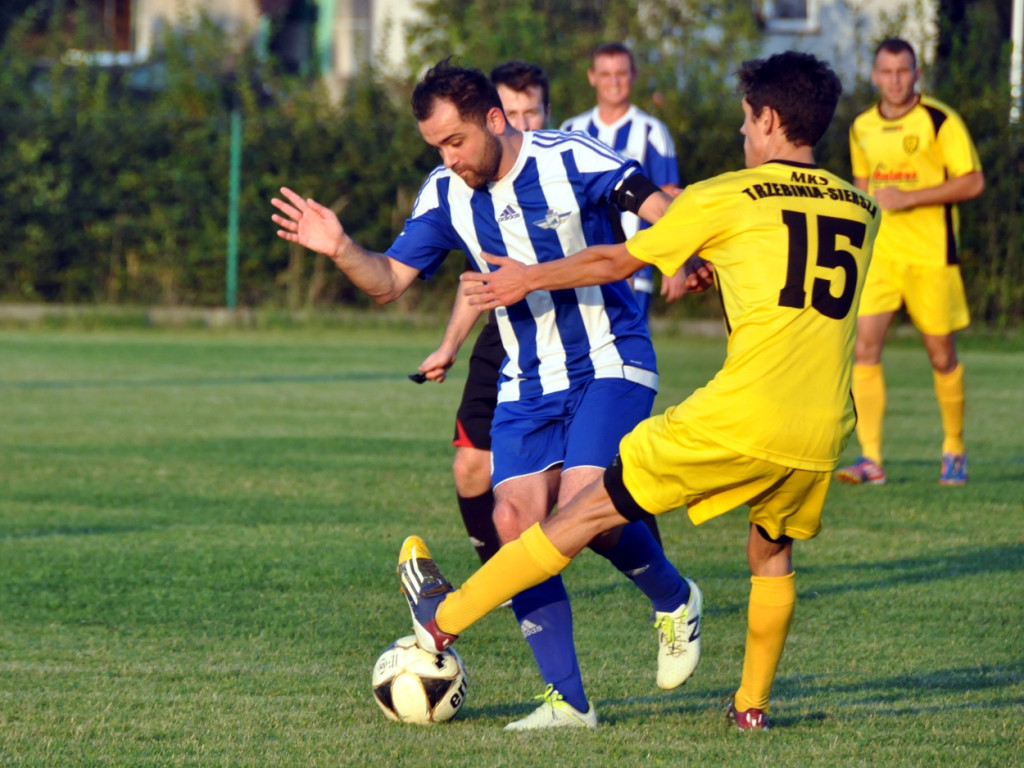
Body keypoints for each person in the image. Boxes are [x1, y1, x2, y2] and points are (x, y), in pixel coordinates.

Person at [397, 50, 880, 732]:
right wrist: (707, 263)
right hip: (825, 427)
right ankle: (749, 708)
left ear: (769, 119)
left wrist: (528, 278)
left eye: (747, 121)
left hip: (737, 415)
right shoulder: (863, 210)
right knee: (771, 552)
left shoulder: (727, 195)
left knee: (580, 512)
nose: (743, 135)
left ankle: (442, 620)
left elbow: (616, 259)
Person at [272, 59, 705, 731]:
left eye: (455, 142)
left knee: (586, 501)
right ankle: (570, 702)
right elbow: (387, 280)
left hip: (610, 357)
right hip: (528, 382)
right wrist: (340, 248)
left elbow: (651, 201)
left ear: (493, 120)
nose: (449, 159)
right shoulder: (445, 192)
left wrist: (682, 250)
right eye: (436, 147)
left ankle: (675, 598)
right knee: (512, 524)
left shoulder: (567, 157)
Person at [416, 61, 553, 566]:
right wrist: (449, 346)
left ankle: (659, 581)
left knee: (596, 483)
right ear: (495, 117)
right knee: (471, 466)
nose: (522, 121)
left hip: (581, 340)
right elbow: (478, 278)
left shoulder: (567, 175)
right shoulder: (472, 186)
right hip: (507, 334)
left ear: (547, 112)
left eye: (530, 111)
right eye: (512, 111)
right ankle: (495, 575)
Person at [836, 38, 984, 487]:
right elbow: (862, 192)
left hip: (931, 256)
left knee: (941, 356)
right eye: (887, 71)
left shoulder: (940, 120)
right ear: (875, 75)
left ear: (916, 74)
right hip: (882, 256)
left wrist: (911, 197)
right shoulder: (861, 125)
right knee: (864, 349)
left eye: (904, 71)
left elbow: (973, 181)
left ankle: (954, 449)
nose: (895, 79)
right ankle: (871, 459)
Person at [561, 42, 690, 317]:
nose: (614, 82)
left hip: (635, 265)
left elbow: (669, 199)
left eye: (621, 73)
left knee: (629, 349)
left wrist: (675, 263)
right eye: (606, 74)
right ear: (592, 77)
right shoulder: (571, 130)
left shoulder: (652, 131)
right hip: (577, 266)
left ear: (633, 75)